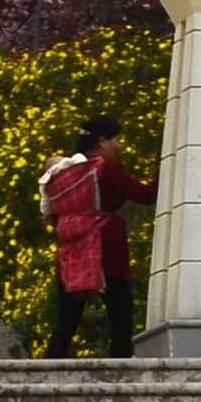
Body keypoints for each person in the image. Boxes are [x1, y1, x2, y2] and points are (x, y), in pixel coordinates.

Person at [41, 120, 151, 359]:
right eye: (115, 140)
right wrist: (170, 166)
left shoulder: (64, 176)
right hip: (105, 249)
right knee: (120, 316)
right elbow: (144, 195)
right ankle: (120, 374)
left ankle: (46, 371)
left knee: (67, 321)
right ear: (102, 141)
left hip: (71, 251)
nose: (118, 146)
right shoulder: (105, 170)